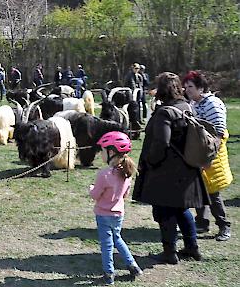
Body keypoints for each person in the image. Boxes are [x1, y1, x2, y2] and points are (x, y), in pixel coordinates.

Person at [132, 72, 208, 265]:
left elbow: (161, 143)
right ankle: (192, 247)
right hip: (185, 169)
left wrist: (150, 161)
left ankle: (169, 252)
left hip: (167, 171)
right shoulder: (185, 106)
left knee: (165, 212)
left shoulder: (165, 112)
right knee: (182, 210)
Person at [182, 71, 232, 241]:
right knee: (197, 190)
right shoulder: (194, 102)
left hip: (211, 154)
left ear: (201, 88)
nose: (187, 89)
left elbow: (218, 133)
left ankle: (224, 225)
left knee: (212, 193)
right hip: (198, 152)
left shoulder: (212, 103)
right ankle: (202, 222)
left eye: (190, 87)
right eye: (186, 86)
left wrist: (209, 158)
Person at [89, 131, 143, 285]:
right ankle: (133, 265)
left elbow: (95, 195)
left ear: (111, 152)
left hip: (103, 215)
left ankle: (109, 273)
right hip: (118, 214)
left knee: (106, 244)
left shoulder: (104, 174)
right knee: (117, 239)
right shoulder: (127, 173)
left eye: (102, 150)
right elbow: (124, 195)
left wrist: (91, 189)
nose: (101, 154)